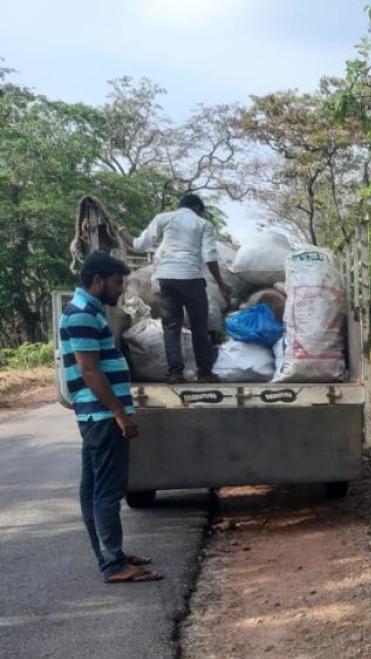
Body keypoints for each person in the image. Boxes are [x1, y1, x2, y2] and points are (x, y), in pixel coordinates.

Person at [59, 252, 162, 583]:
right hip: (103, 415)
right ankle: (114, 566)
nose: (120, 290)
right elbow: (89, 370)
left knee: (92, 491)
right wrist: (120, 413)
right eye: (117, 283)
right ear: (98, 279)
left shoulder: (89, 312)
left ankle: (111, 555)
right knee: (106, 491)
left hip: (97, 415)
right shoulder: (81, 315)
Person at [122, 194, 230, 383]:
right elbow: (210, 256)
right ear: (198, 208)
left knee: (171, 328)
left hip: (166, 280)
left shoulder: (163, 218)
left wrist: (120, 230)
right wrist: (221, 283)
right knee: (200, 328)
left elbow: (138, 245)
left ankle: (175, 373)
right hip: (192, 279)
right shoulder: (203, 224)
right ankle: (204, 373)